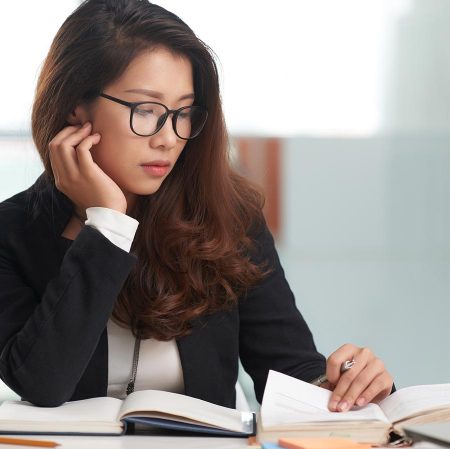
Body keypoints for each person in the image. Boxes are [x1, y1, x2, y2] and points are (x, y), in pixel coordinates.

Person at [0, 0, 393, 412]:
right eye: (146, 110)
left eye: (183, 113)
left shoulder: (230, 217)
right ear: (75, 107)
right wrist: (108, 224)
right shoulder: (13, 232)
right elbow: (42, 383)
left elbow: (288, 370)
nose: (169, 137)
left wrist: (352, 384)